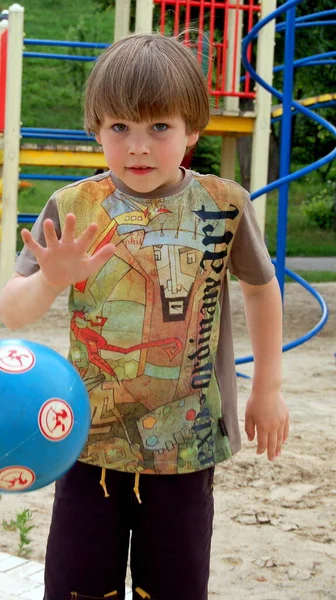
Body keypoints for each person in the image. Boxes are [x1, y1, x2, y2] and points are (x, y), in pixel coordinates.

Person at [0, 33, 289, 600]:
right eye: (119, 128)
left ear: (191, 130)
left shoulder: (223, 205)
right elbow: (12, 311)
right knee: (78, 588)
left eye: (159, 127)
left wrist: (268, 390)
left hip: (185, 449)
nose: (138, 147)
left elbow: (261, 287)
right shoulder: (73, 207)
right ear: (95, 127)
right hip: (86, 447)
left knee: (175, 588)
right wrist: (52, 280)